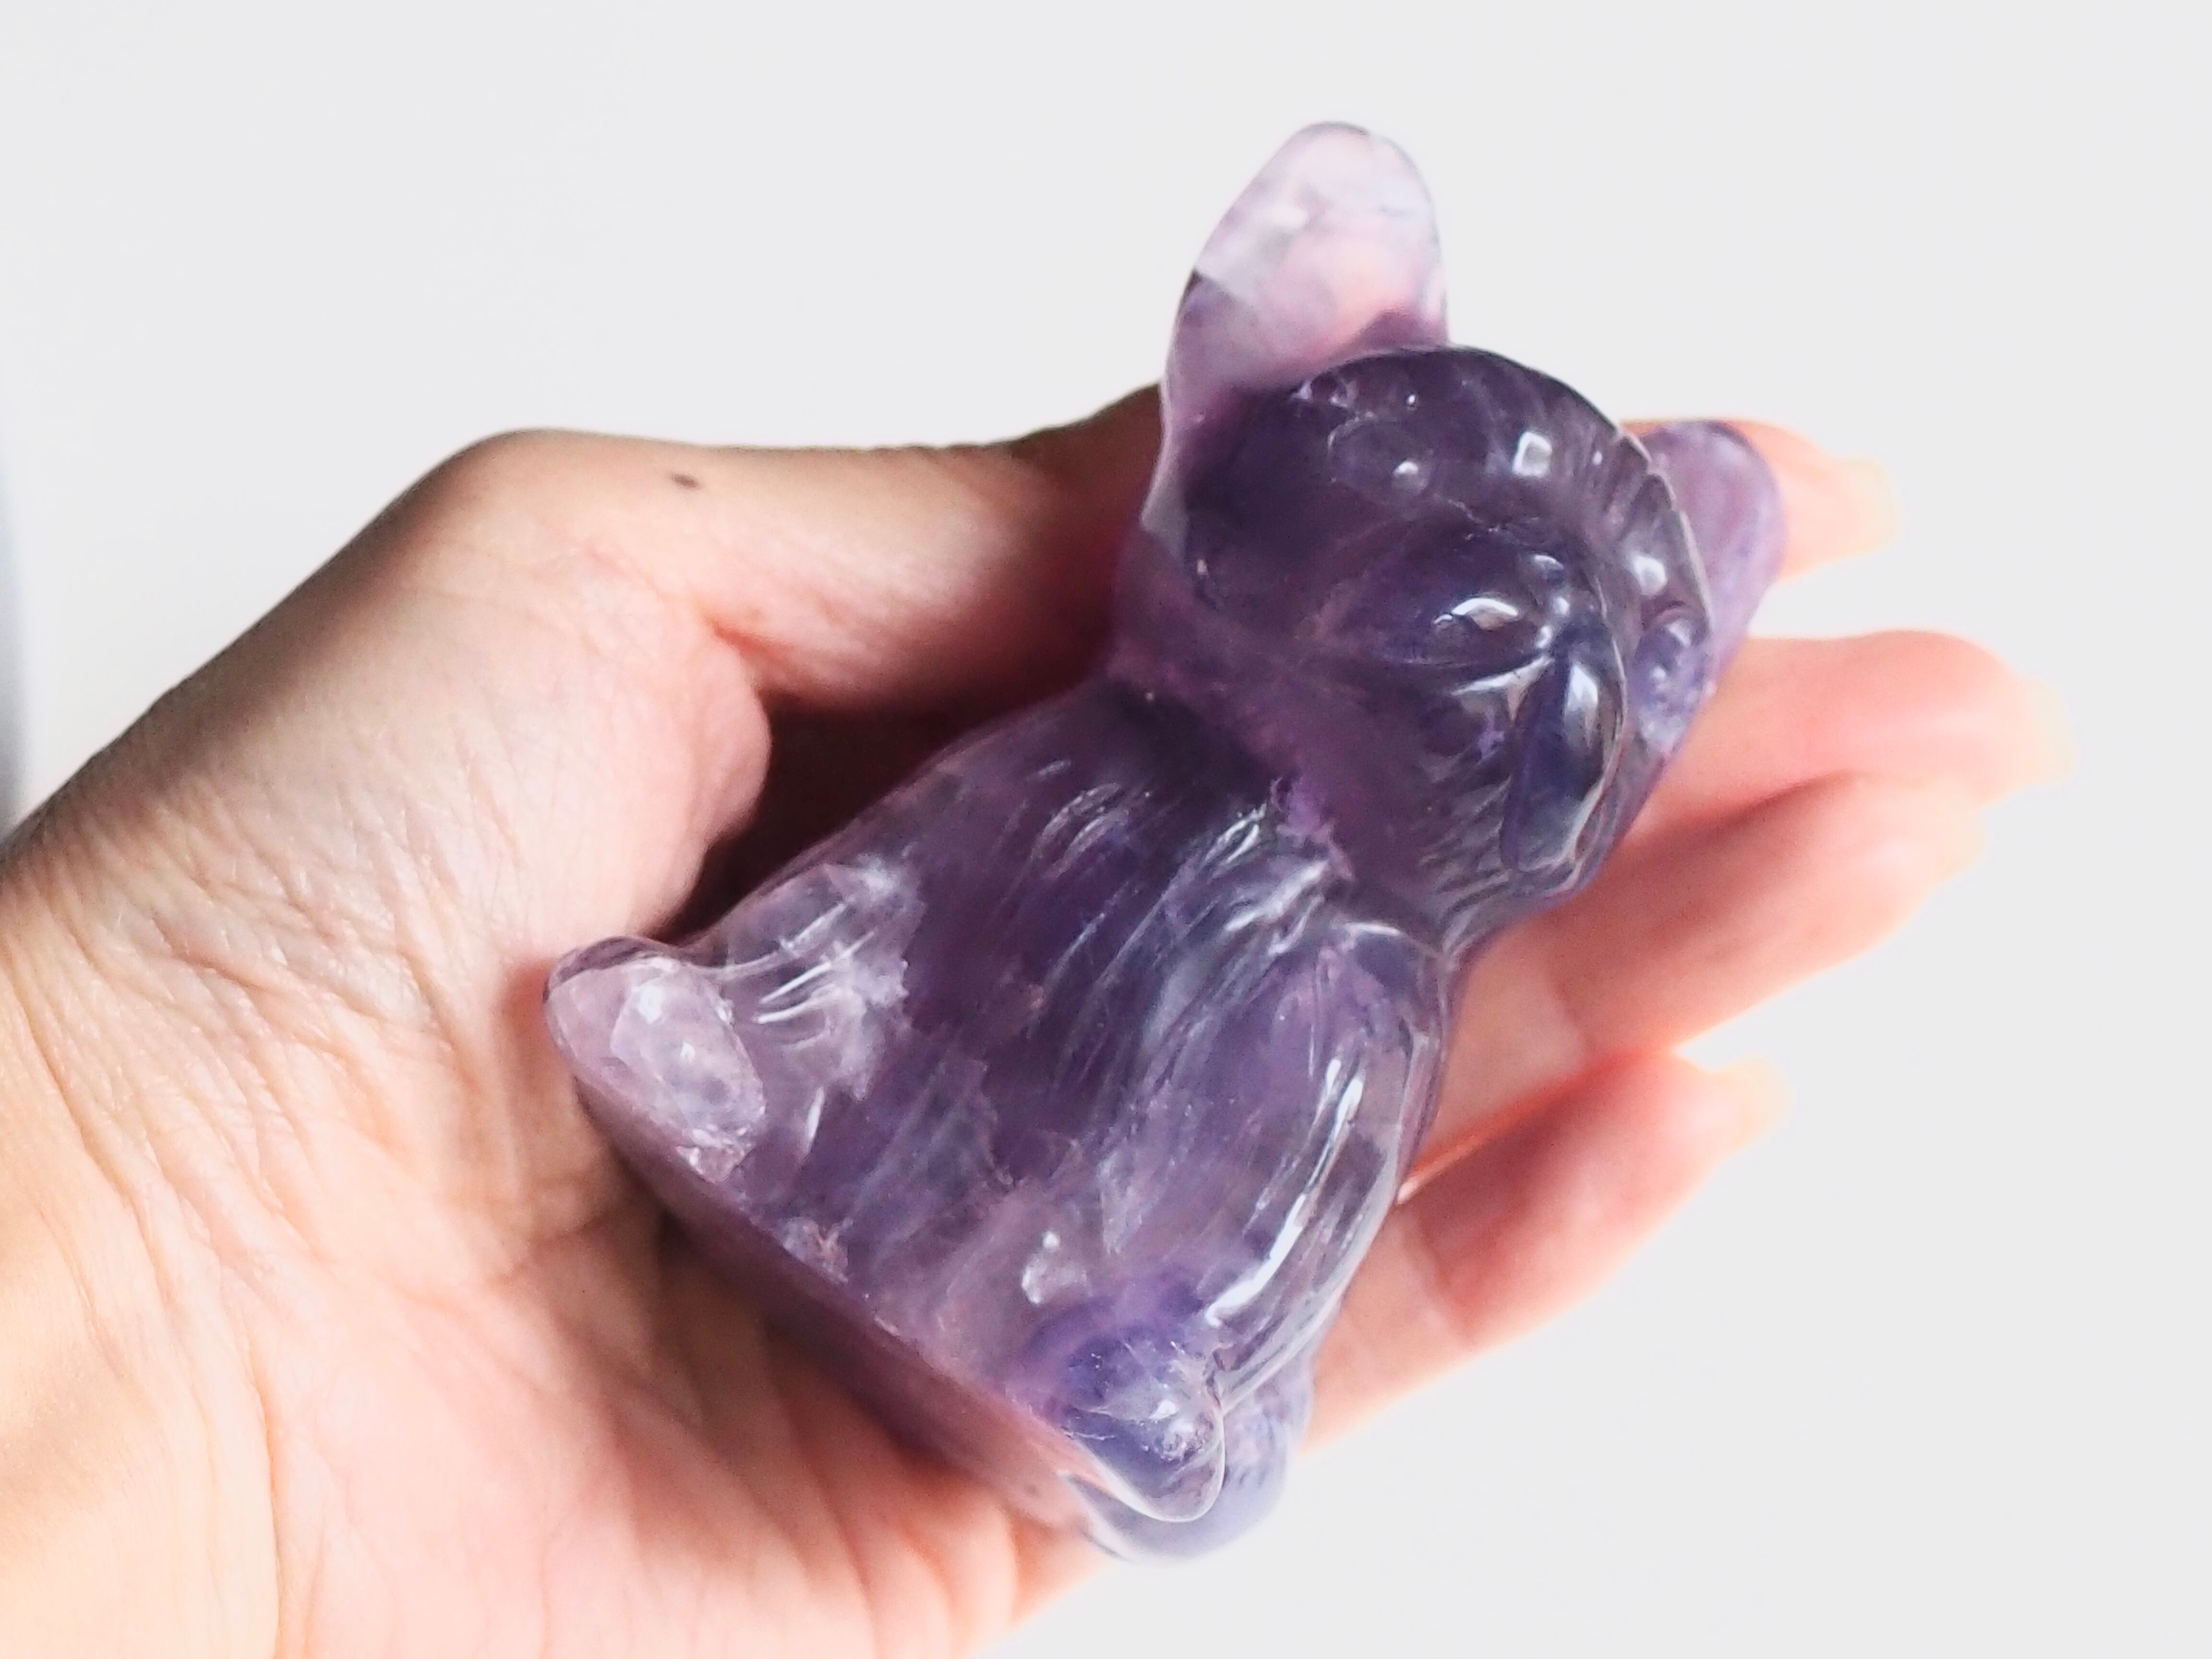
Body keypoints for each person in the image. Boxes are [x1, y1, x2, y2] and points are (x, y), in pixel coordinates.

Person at [0, 392, 2054, 1656]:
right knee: (893, 917)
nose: (1518, 663)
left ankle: (1156, 1362)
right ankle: (746, 1061)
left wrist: (1202, 1360)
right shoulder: (1098, 747)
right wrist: (112, 1150)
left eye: (1596, 652)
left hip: (1060, 1310)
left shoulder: (1374, 979)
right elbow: (891, 902)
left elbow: (1304, 1191)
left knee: (1272, 1201)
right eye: (1468, 583)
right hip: (839, 1142)